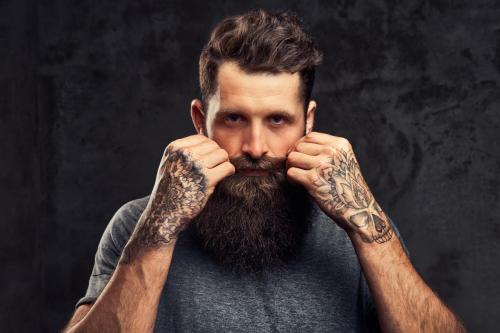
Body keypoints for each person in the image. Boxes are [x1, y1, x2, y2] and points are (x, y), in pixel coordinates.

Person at [63, 10, 466, 333]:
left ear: (308, 122)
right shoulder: (138, 224)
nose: (255, 147)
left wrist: (371, 235)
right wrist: (158, 230)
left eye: (277, 120)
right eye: (234, 119)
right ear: (200, 120)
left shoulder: (360, 226)